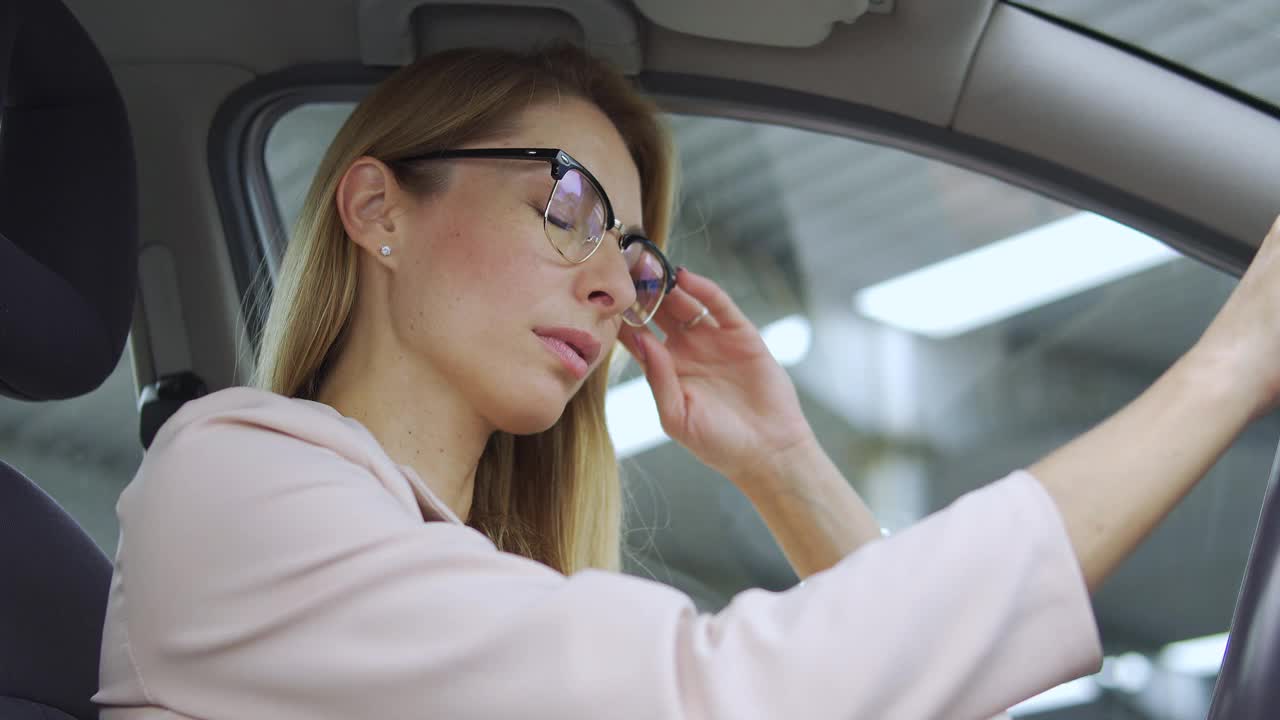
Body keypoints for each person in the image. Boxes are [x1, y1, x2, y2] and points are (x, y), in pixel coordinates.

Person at [93, 42, 1280, 719]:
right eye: (569, 206)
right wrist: (1231, 362)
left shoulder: (460, 589)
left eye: (632, 252)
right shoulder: (230, 479)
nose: (615, 286)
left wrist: (781, 465)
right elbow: (721, 699)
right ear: (375, 208)